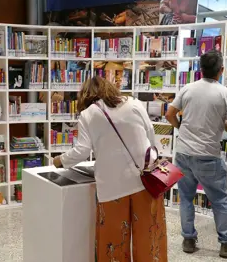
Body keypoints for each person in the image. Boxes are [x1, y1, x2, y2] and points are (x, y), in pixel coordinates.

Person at [52, 76, 168, 262]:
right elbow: (150, 133)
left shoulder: (88, 114)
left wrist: (60, 160)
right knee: (150, 237)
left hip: (112, 187)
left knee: (114, 242)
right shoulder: (134, 103)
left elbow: (82, 151)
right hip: (147, 181)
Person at [165, 50, 227, 258]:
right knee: (219, 200)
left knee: (186, 197)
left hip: (183, 153)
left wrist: (181, 127)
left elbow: (169, 114)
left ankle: (188, 239)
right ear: (221, 70)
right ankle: (226, 243)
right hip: (208, 155)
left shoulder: (187, 89)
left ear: (200, 70)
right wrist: (220, 123)